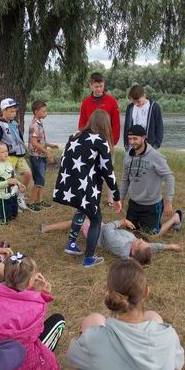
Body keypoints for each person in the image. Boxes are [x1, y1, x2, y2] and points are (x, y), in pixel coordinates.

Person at [65, 260, 184, 370]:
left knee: (93, 319)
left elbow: (73, 357)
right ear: (146, 292)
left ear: (108, 293)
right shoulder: (169, 336)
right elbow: (177, 364)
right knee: (154, 317)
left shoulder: (95, 339)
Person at [0, 253, 65, 370]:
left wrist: (29, 286)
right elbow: (38, 332)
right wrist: (42, 294)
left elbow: (15, 296)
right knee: (58, 320)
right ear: (31, 281)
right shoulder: (36, 304)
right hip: (25, 367)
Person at [53, 110, 122, 268]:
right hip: (85, 186)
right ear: (106, 125)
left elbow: (65, 159)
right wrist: (116, 196)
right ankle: (89, 258)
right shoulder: (100, 140)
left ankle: (71, 244)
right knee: (96, 219)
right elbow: (108, 171)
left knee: (82, 209)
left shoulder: (74, 136)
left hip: (69, 184)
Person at [121, 125, 183, 237]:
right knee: (130, 233)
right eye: (129, 139)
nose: (132, 142)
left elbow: (169, 177)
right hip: (134, 203)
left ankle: (175, 218)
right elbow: (125, 180)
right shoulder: (128, 157)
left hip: (152, 204)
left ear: (143, 138)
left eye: (135, 138)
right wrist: (121, 199)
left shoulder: (155, 156)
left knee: (150, 236)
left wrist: (168, 201)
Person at [40, 218, 181, 265]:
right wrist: (170, 246)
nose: (141, 239)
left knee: (78, 220)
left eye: (140, 243)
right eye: (142, 241)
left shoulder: (120, 245)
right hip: (103, 228)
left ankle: (46, 228)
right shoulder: (136, 248)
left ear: (133, 252)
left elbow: (107, 229)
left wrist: (122, 221)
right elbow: (152, 246)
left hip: (95, 232)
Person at [0, 98, 33, 211]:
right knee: (11, 179)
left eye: (15, 111)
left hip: (19, 155)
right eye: (11, 111)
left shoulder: (14, 123)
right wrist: (4, 153)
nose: (14, 114)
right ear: (4, 110)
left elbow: (19, 138)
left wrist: (23, 148)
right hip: (9, 156)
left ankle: (20, 196)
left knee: (28, 174)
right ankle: (11, 200)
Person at [27, 100, 58, 211]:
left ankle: (39, 201)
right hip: (37, 157)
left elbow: (39, 141)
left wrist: (49, 145)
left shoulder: (39, 123)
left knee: (41, 180)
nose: (46, 113)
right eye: (43, 111)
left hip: (41, 156)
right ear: (36, 112)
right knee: (39, 181)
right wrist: (47, 152)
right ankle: (30, 202)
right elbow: (34, 143)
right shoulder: (34, 125)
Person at [78, 73, 120, 146]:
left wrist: (113, 142)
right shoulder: (85, 103)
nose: (99, 89)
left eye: (101, 86)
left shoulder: (112, 101)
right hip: (90, 142)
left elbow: (116, 124)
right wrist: (84, 139)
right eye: (96, 86)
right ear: (91, 85)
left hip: (107, 141)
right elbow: (82, 124)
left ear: (104, 84)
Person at [123, 85, 164, 151]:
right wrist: (126, 144)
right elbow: (126, 127)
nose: (136, 104)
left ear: (144, 95)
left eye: (138, 101)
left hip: (149, 145)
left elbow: (159, 127)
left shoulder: (154, 106)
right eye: (134, 101)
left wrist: (156, 145)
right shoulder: (130, 107)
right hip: (132, 145)